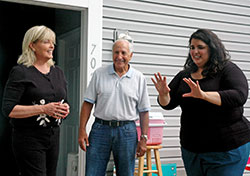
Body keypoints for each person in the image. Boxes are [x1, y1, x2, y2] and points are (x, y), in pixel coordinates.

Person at [152, 29, 250, 176]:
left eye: (200, 47)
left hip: (227, 150)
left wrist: (204, 95)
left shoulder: (227, 70)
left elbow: (239, 95)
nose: (195, 51)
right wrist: (163, 94)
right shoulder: (184, 75)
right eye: (192, 47)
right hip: (193, 150)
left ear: (212, 48)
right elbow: (168, 104)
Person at [78, 34, 150, 176]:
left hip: (127, 131)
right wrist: (81, 130)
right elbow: (87, 103)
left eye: (123, 53)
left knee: (126, 173)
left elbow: (144, 111)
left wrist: (144, 138)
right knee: (93, 172)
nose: (119, 56)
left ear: (131, 55)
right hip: (100, 130)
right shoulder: (99, 74)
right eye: (116, 52)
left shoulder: (139, 78)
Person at [2, 25, 70, 176]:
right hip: (28, 138)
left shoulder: (58, 72)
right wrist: (43, 109)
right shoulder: (21, 72)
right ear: (32, 45)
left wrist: (65, 109)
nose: (52, 46)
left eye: (53, 42)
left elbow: (65, 101)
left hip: (53, 136)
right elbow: (9, 109)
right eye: (46, 42)